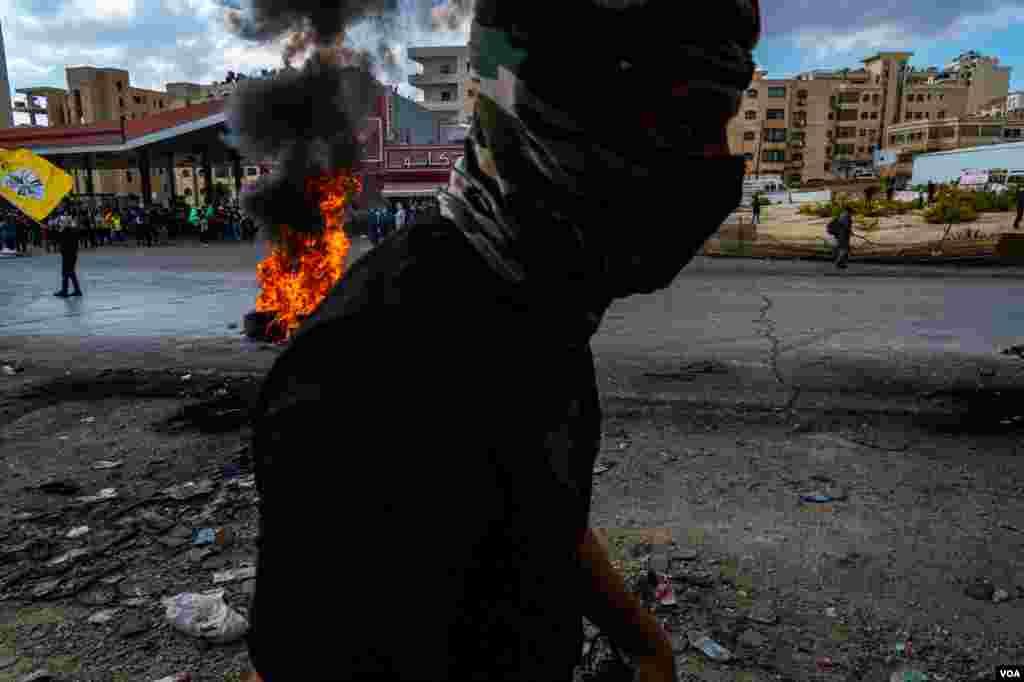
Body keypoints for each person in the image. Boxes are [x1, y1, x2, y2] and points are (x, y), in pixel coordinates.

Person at [245, 2, 758, 681]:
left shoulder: (542, 304)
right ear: (554, 112)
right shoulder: (363, 376)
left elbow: (539, 506)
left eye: (719, 125)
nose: (712, 166)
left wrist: (641, 640)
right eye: (685, 125)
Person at [54, 211, 83, 297]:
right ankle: (75, 290)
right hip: (71, 254)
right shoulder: (72, 230)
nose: (61, 224)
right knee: (70, 272)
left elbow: (59, 237)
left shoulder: (67, 231)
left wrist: (55, 230)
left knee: (67, 272)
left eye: (63, 222)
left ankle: (65, 291)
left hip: (68, 254)